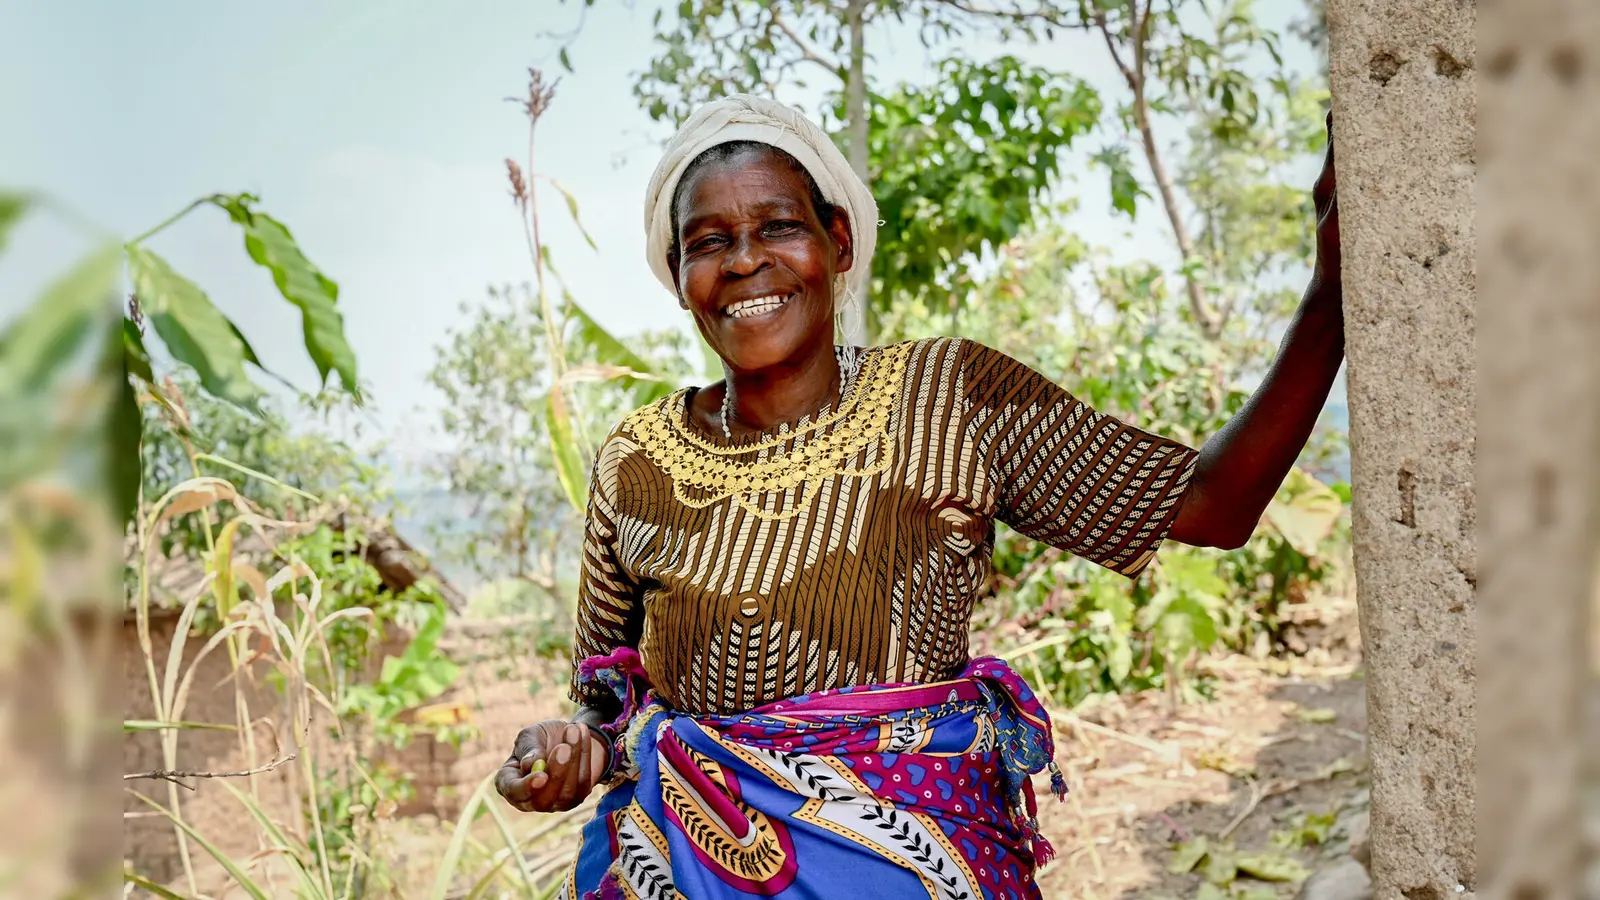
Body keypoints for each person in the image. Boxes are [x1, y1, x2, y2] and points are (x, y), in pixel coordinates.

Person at [495, 94, 1343, 900]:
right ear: (679, 276)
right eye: (709, 241)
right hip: (687, 869)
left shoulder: (949, 398)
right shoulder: (637, 460)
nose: (745, 259)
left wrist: (1332, 291)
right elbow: (606, 700)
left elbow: (1212, 505)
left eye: (778, 226)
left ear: (838, 241)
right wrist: (572, 748)